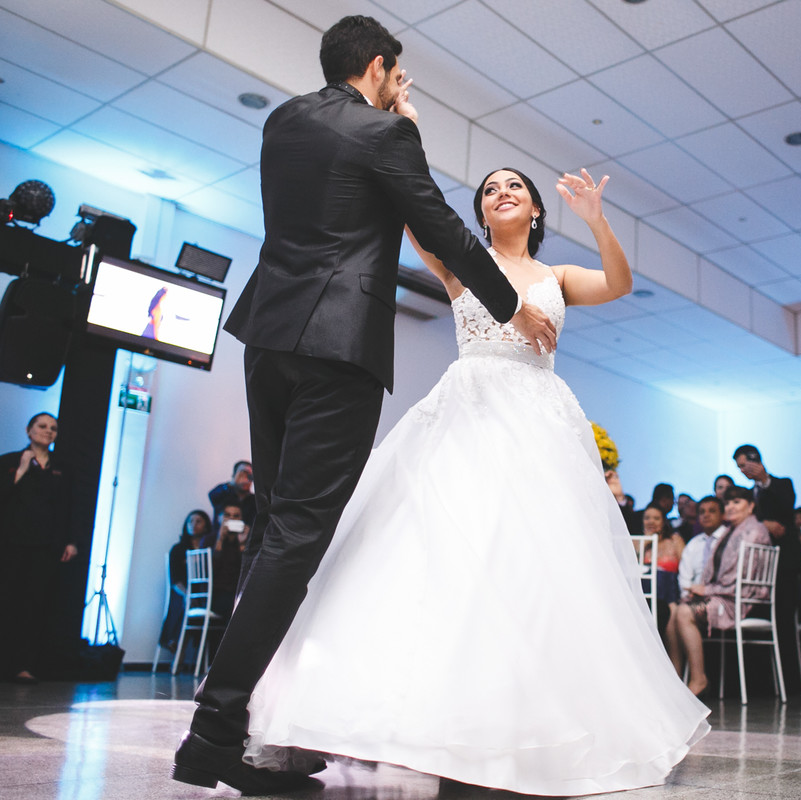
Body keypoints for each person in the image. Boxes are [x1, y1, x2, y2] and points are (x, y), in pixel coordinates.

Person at [172, 16, 557, 795]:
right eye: (395, 76)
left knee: (277, 530)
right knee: (300, 539)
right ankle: (214, 735)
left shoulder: (283, 120)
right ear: (380, 68)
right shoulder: (387, 136)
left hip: (266, 335)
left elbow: (328, 204)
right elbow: (442, 228)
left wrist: (392, 122)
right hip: (335, 346)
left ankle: (255, 728)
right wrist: (511, 302)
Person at [241, 163, 709, 795]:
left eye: (514, 185)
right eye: (490, 190)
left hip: (541, 426)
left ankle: (521, 720)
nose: (502, 193)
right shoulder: (462, 264)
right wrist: (400, 129)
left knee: (533, 567)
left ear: (537, 210)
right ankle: (402, 716)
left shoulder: (557, 277)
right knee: (436, 554)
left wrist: (597, 221)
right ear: (482, 214)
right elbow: (412, 215)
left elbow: (620, 284)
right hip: (466, 414)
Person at [665, 487, 771, 696]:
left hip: (741, 600)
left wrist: (707, 589)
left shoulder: (753, 531)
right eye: (729, 503)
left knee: (685, 612)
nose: (731, 507)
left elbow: (740, 579)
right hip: (726, 595)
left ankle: (698, 679)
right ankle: (676, 679)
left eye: (737, 502)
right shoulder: (732, 532)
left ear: (750, 506)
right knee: (676, 610)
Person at [0, 413, 78, 683]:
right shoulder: (9, 461)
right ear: (29, 429)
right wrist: (20, 471)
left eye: (53, 428)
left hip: (45, 546)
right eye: (42, 426)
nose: (48, 431)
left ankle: (24, 665)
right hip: (11, 544)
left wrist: (70, 541)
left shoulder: (61, 467)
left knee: (34, 606)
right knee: (6, 600)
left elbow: (66, 507)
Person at [733, 443, 801, 689]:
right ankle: (765, 684)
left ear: (756, 460)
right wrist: (765, 524)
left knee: (785, 621)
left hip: (784, 563)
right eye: (739, 467)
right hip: (759, 568)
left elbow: (787, 505)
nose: (743, 470)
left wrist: (764, 478)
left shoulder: (781, 483)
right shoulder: (749, 494)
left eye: (745, 464)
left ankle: (792, 683)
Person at [159, 510, 214, 657]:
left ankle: (178, 648)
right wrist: (187, 594)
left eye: (198, 521)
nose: (193, 525)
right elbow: (175, 580)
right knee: (186, 602)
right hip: (181, 592)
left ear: (206, 526)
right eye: (191, 521)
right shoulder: (178, 550)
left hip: (204, 594)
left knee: (199, 602)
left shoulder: (210, 549)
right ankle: (176, 646)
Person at [641, 505, 685, 636]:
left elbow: (685, 565)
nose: (651, 522)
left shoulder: (674, 540)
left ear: (663, 521)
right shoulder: (638, 542)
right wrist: (646, 541)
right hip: (645, 595)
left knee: (672, 613)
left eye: (656, 518)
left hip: (671, 595)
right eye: (647, 518)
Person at [679, 496, 726, 602]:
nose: (706, 515)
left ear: (723, 514)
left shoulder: (729, 540)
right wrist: (686, 595)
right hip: (694, 596)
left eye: (712, 511)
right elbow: (685, 576)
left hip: (722, 596)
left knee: (682, 613)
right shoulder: (694, 543)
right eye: (702, 512)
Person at [207, 460, 256, 530]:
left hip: (244, 539)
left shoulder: (254, 501)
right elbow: (212, 495)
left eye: (249, 476)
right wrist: (233, 482)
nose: (245, 478)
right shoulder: (223, 492)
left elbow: (251, 526)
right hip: (220, 538)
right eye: (242, 474)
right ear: (234, 475)